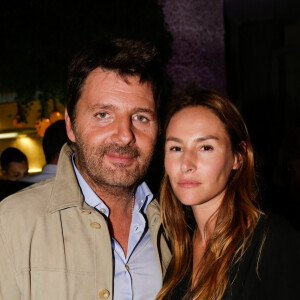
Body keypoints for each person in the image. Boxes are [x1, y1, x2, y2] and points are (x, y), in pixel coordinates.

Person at [0, 38, 171, 299]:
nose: (125, 135)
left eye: (140, 117)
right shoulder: (11, 224)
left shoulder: (178, 223)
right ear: (71, 125)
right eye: (103, 114)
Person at [156, 88, 300, 300]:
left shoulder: (271, 242)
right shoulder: (176, 245)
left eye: (205, 147)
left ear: (237, 157)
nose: (186, 164)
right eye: (176, 148)